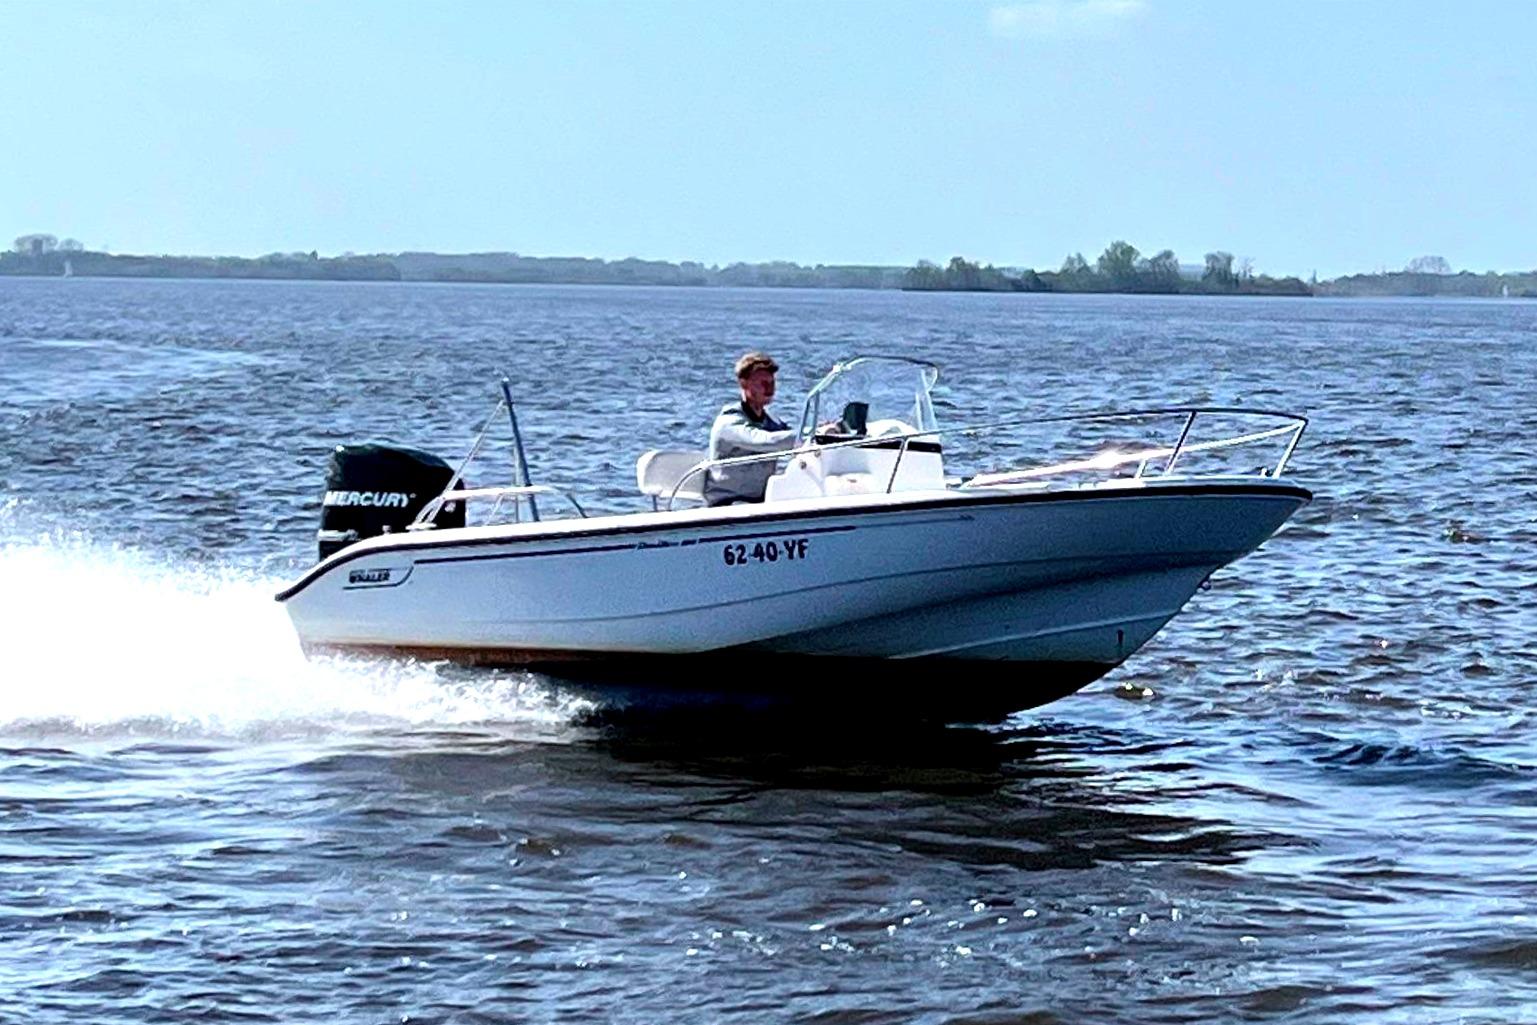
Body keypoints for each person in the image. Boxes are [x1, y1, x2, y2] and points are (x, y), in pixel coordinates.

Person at [705, 352, 798, 506]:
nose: (769, 388)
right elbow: (764, 441)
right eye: (762, 383)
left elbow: (794, 436)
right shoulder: (729, 422)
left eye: (772, 382)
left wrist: (824, 432)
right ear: (744, 384)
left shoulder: (771, 422)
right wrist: (809, 435)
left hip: (758, 503)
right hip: (728, 504)